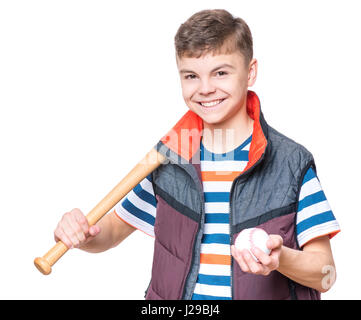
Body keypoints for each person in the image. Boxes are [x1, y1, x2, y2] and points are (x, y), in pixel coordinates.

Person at [54, 9, 340, 300]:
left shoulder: (290, 163)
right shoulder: (169, 157)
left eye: (221, 73)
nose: (205, 89)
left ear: (250, 72)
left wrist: (282, 259)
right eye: (191, 76)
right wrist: (81, 233)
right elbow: (111, 232)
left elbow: (326, 273)